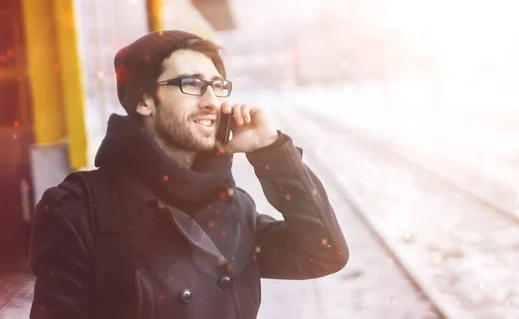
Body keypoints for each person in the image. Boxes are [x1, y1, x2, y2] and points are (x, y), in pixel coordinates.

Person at [28, 30, 349, 319]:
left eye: (218, 86)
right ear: (143, 101)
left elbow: (323, 253)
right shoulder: (79, 210)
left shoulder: (234, 207)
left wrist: (272, 151)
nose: (212, 102)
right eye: (192, 84)